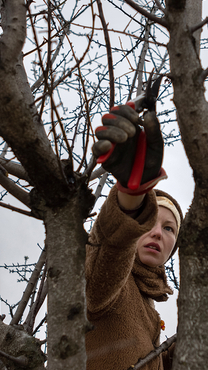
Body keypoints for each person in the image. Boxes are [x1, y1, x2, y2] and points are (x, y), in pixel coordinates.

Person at [85, 98, 181, 370]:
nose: (158, 234)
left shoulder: (149, 305)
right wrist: (131, 196)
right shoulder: (108, 277)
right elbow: (109, 249)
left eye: (169, 228)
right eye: (149, 222)